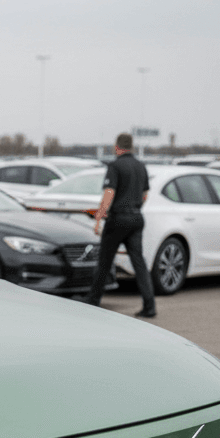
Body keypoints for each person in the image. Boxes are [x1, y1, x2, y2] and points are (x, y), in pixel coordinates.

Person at [80, 133, 155, 318]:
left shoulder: (115, 166)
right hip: (137, 218)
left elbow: (109, 193)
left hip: (118, 219)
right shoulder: (141, 166)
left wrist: (99, 216)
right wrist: (135, 208)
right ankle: (150, 305)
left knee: (105, 260)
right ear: (131, 146)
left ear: (117, 146)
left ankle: (93, 301)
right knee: (138, 262)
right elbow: (145, 194)